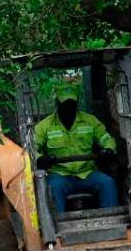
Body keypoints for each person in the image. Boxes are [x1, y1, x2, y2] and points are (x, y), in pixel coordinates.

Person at [34, 85, 119, 213]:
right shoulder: (44, 126)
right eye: (65, 103)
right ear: (57, 103)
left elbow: (106, 138)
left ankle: (112, 221)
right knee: (52, 188)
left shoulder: (90, 121)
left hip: (87, 173)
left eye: (72, 103)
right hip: (60, 175)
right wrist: (40, 158)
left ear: (77, 103)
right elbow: (31, 149)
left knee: (107, 183)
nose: (69, 107)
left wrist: (108, 149)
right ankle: (56, 227)